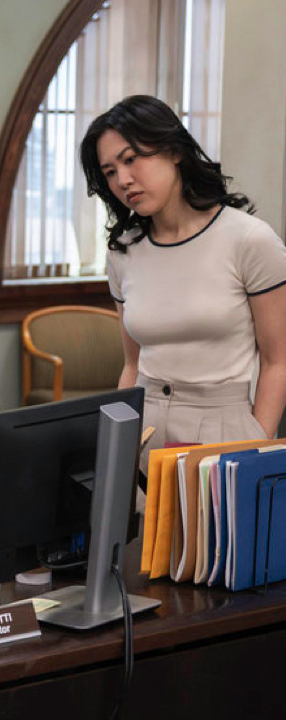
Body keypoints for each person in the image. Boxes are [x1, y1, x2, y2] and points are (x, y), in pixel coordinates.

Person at [82, 94, 286, 459]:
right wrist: (115, 447)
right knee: (139, 519)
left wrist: (258, 440)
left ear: (174, 150)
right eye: (110, 172)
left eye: (131, 160)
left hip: (226, 431)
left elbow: (278, 360)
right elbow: (133, 363)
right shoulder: (122, 251)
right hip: (144, 429)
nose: (123, 180)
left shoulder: (250, 239)